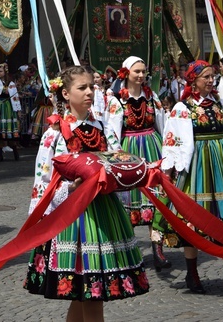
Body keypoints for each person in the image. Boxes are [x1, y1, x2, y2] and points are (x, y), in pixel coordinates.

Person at [24, 66, 148, 321]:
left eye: (91, 86)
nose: (90, 92)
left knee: (88, 294)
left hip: (103, 214)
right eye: (82, 87)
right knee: (90, 292)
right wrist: (69, 188)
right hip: (72, 217)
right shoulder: (55, 133)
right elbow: (42, 181)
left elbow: (117, 159)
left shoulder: (101, 125)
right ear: (66, 94)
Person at [161, 60, 223, 303]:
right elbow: (172, 140)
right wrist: (170, 171)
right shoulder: (182, 108)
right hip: (196, 166)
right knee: (193, 219)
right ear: (193, 80)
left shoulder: (221, 104)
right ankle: (192, 274)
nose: (210, 80)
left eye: (212, 76)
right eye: (205, 76)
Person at [105, 56, 170, 271]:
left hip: (152, 147)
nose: (141, 75)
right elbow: (112, 133)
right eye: (137, 72)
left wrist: (168, 153)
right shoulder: (117, 100)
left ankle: (158, 249)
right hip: (129, 151)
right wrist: (118, 157)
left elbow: (164, 126)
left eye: (143, 71)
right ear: (126, 73)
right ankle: (130, 250)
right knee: (129, 200)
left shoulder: (152, 98)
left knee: (157, 199)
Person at [0, 62, 21, 161]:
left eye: (0, 71)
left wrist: (17, 110)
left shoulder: (10, 83)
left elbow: (15, 97)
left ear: (5, 72)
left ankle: (15, 153)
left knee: (9, 130)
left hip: (7, 107)